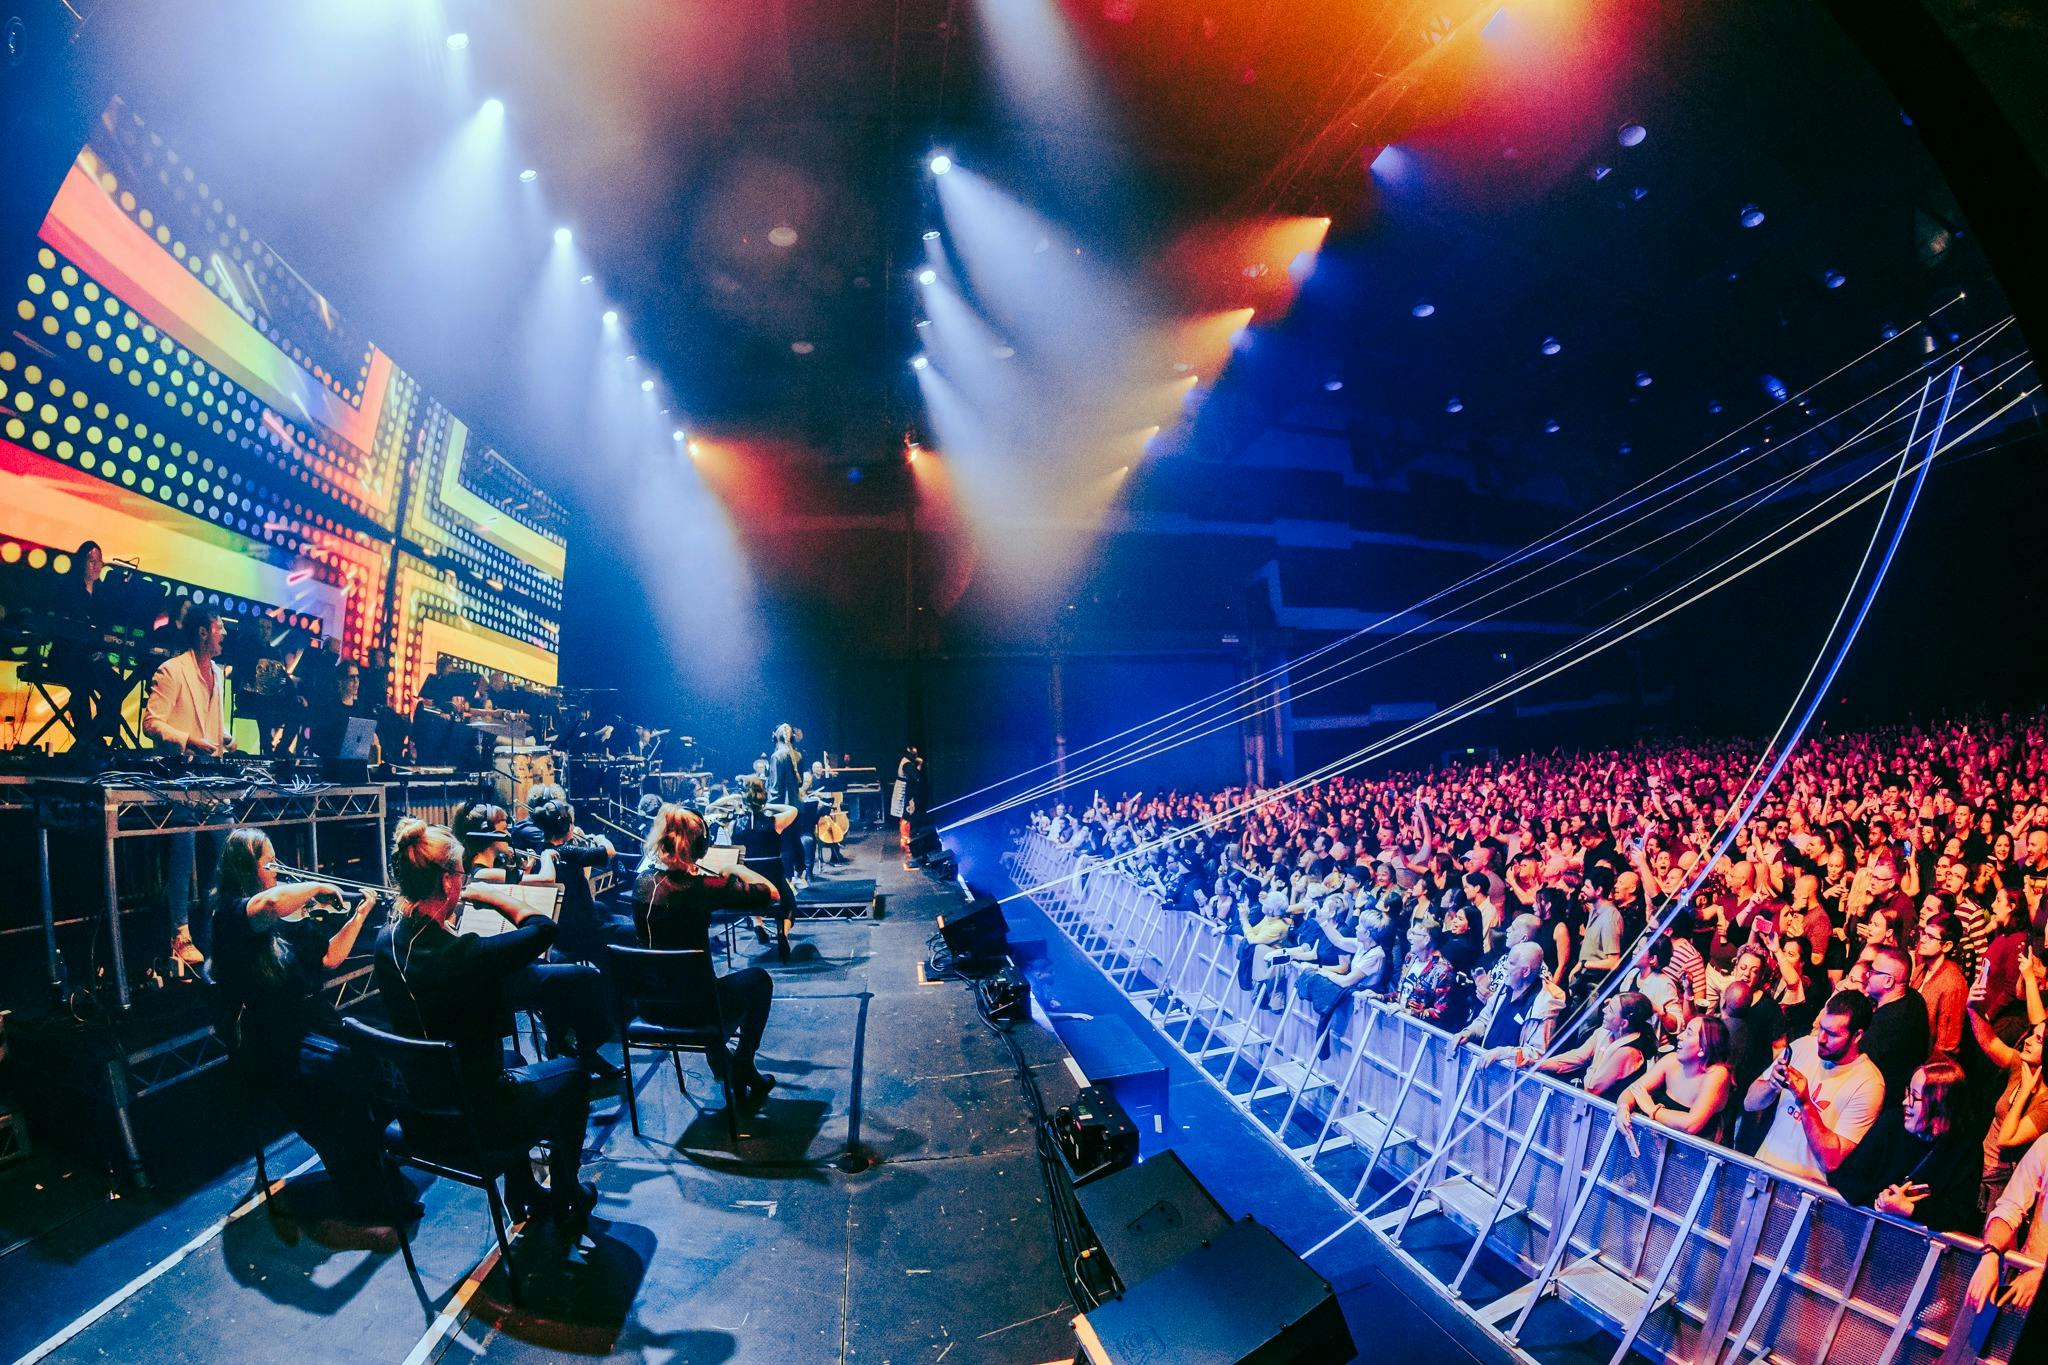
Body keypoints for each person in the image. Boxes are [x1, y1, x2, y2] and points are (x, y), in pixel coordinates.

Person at [371, 820, 595, 1225]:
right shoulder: (464, 956)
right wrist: (493, 896)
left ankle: (524, 1187)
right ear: (448, 882)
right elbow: (543, 928)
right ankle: (567, 1191)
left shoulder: (386, 940)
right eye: (459, 873)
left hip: (417, 1107)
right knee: (575, 1075)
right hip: (474, 1120)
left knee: (513, 1058)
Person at [206, 828, 412, 1217]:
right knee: (342, 1077)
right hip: (273, 1035)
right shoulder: (231, 914)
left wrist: (360, 913)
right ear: (245, 868)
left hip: (314, 1020)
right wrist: (316, 886)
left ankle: (370, 1156)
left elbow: (330, 958)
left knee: (381, 1055)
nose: (276, 868)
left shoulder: (289, 916)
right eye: (268, 862)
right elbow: (269, 904)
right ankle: (360, 1183)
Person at [634, 804, 783, 1107]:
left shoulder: (642, 884)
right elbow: (772, 893)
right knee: (759, 980)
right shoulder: (703, 888)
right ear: (700, 847)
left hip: (651, 1007)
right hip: (699, 1010)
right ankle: (743, 1063)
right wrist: (735, 869)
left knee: (694, 982)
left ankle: (722, 1063)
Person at [143, 609, 234, 966]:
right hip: (179, 778)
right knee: (183, 848)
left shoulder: (218, 673)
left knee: (228, 851)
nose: (224, 633)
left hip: (211, 778)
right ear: (202, 632)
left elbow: (210, 724)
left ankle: (215, 929)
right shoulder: (172, 670)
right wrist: (187, 740)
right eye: (219, 627)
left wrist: (224, 738)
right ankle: (179, 934)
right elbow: (152, 722)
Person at [1745, 990, 1885, 1183]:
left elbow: (1831, 1160)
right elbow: (1749, 1103)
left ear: (1857, 1035)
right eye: (1822, 1028)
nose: (1822, 1039)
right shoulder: (1803, 1046)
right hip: (1760, 1172)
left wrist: (1805, 1103)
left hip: (1802, 1190)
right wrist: (1772, 1084)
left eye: (1832, 1034)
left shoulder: (1869, 1084)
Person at [1831, 1060, 1980, 1233]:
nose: (1905, 1102)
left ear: (1940, 1106)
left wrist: (1910, 1210)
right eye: (1908, 1091)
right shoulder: (1891, 1123)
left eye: (1915, 1097)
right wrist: (1880, 1201)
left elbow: (1959, 1214)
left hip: (1916, 1245)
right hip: (1860, 1231)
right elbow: (1847, 1177)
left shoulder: (1966, 1147)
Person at [1615, 1014, 1734, 1140]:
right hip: (1658, 1144)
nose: (1679, 1036)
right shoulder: (1671, 1060)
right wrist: (1623, 1108)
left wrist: (1652, 1110)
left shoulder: (1718, 1073)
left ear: (1704, 1047)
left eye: (1688, 1033)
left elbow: (1691, 1125)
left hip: (1690, 1150)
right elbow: (1632, 1090)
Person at [1530, 991, 1653, 1099]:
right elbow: (1577, 1057)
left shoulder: (1628, 1052)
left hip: (1608, 1111)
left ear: (1624, 1023)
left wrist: (1596, 1059)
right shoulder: (1604, 1031)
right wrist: (1536, 1064)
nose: (1604, 1010)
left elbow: (1592, 1088)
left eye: (1610, 1010)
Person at [1458, 941, 1565, 1064]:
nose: (1505, 966)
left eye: (1511, 963)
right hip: (1485, 1065)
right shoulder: (1505, 986)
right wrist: (1469, 1032)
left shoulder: (1544, 1006)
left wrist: (1501, 1053)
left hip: (1509, 1074)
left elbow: (1536, 1053)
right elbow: (1484, 1019)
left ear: (1525, 971)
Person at [731, 776, 799, 962]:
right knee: (790, 906)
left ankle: (757, 924)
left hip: (749, 883)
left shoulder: (734, 825)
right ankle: (782, 933)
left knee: (752, 895)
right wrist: (767, 806)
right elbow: (793, 810)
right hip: (774, 880)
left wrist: (743, 804)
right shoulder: (775, 822)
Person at [1860, 944, 1931, 1111]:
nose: (1867, 974)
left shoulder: (1884, 1026)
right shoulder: (1914, 998)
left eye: (1873, 971)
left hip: (1880, 1105)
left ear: (1888, 981)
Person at [1913, 912, 1968, 1060]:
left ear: (1947, 946)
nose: (1922, 939)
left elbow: (1948, 1043)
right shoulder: (1921, 969)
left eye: (1930, 937)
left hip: (1929, 1062)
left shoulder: (1953, 983)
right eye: (1924, 933)